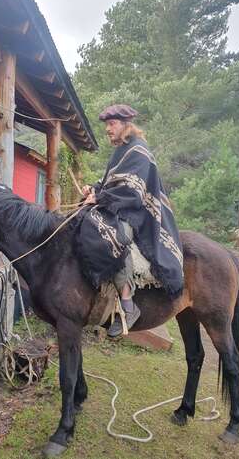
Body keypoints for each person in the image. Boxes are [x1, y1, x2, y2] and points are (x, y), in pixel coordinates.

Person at [81, 104, 183, 337]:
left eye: (112, 124)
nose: (108, 129)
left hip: (138, 213)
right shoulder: (121, 151)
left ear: (126, 124)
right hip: (119, 206)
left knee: (114, 239)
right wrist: (93, 189)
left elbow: (132, 193)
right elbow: (110, 181)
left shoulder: (139, 150)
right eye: (107, 124)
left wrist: (100, 197)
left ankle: (128, 306)